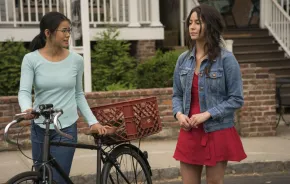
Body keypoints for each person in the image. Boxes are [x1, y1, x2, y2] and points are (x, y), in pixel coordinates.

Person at [18, 12, 109, 183]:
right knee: (41, 178)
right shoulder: (30, 59)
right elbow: (24, 91)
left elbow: (78, 94)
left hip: (65, 128)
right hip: (39, 126)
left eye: (69, 30)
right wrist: (26, 109)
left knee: (57, 180)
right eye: (64, 30)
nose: (68, 35)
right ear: (48, 33)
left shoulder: (76, 60)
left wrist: (93, 122)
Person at [172, 4, 247, 184]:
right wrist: (179, 114)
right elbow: (177, 95)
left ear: (210, 25)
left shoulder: (227, 60)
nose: (192, 26)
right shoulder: (183, 60)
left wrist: (207, 114)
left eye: (198, 22)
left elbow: (236, 99)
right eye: (190, 22)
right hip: (190, 132)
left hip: (217, 131)